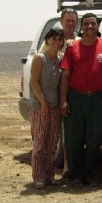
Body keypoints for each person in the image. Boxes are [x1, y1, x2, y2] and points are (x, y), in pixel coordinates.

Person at [59, 13, 102, 187]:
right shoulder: (73, 48)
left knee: (94, 138)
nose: (90, 27)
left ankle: (88, 175)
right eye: (87, 24)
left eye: (93, 24)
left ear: (98, 26)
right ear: (81, 27)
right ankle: (75, 176)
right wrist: (63, 101)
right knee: (74, 139)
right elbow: (65, 76)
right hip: (76, 98)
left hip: (98, 99)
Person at [29, 28, 65, 189]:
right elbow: (34, 82)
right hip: (40, 106)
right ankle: (38, 176)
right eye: (54, 39)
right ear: (47, 40)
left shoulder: (61, 59)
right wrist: (42, 102)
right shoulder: (40, 58)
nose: (56, 42)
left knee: (52, 143)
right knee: (40, 143)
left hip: (55, 106)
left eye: (59, 39)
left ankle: (49, 175)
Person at [58, 8, 78, 178]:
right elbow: (45, 58)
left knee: (70, 129)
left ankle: (70, 163)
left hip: (74, 90)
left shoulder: (81, 40)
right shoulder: (55, 39)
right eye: (67, 20)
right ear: (61, 21)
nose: (70, 23)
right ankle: (64, 164)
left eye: (73, 20)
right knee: (58, 129)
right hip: (54, 89)